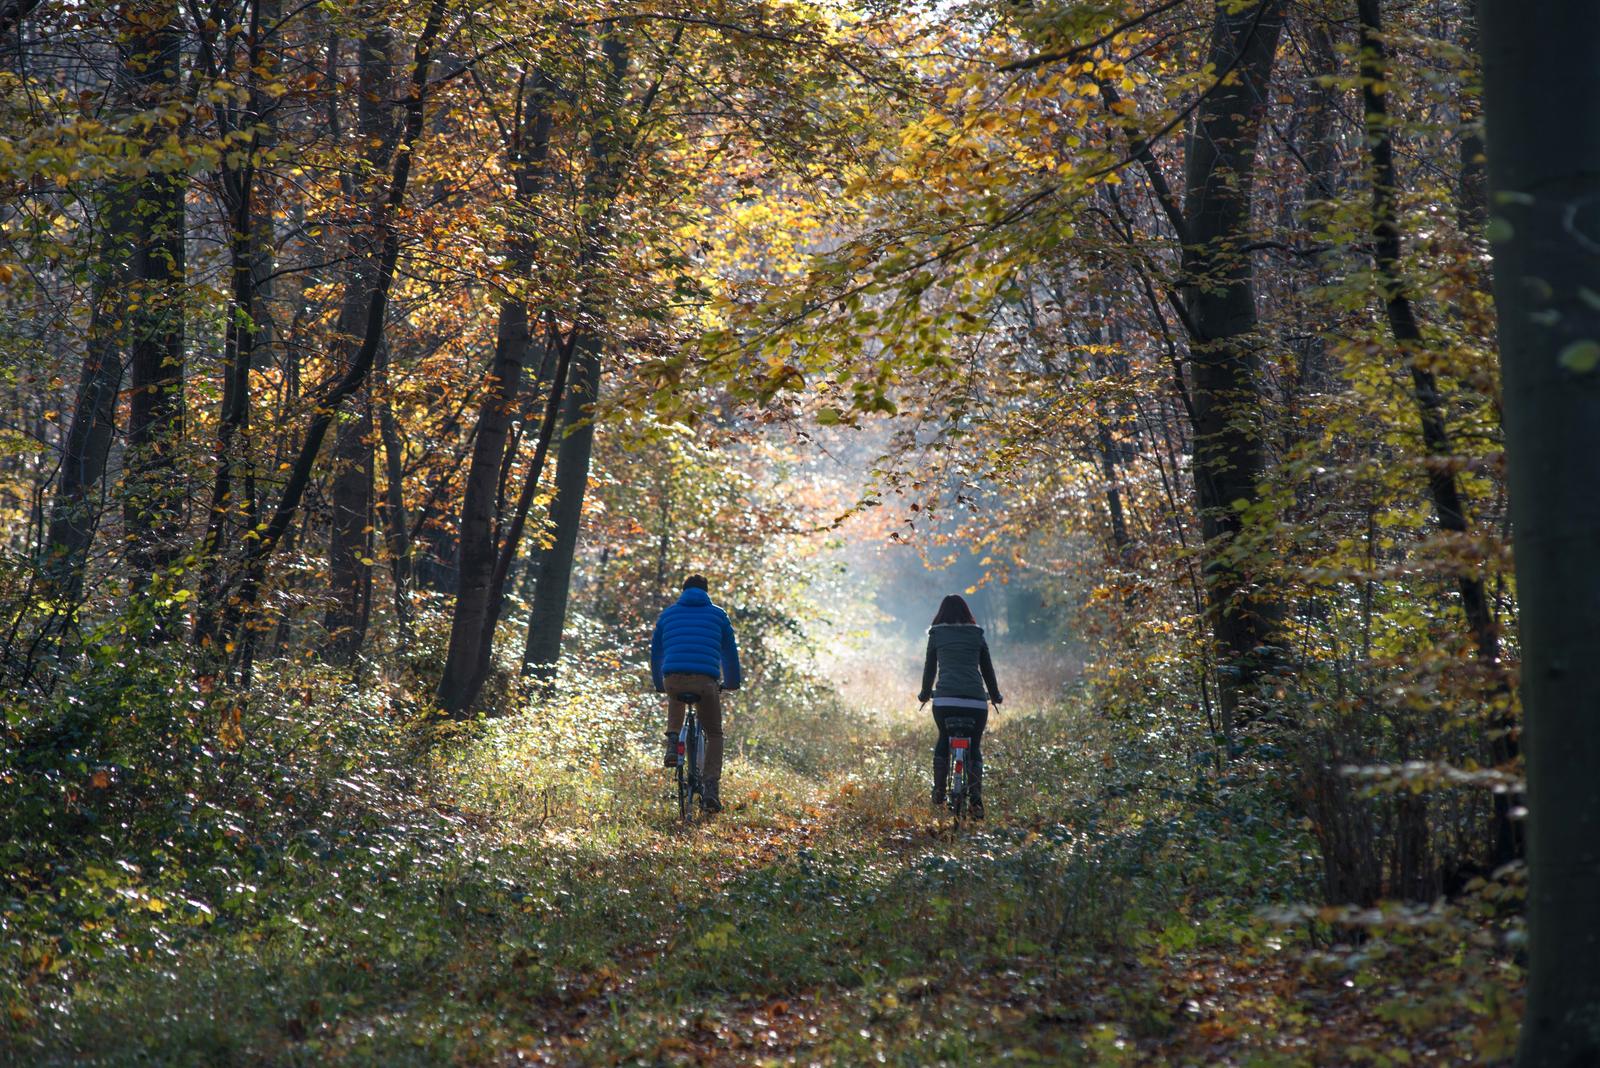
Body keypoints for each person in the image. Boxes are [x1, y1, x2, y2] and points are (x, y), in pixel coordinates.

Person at [650, 574, 742, 814]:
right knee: (714, 733)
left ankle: (673, 742)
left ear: (683, 591)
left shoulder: (667, 615)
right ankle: (711, 788)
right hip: (705, 682)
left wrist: (659, 683)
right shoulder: (718, 615)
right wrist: (732, 682)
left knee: (675, 692)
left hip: (673, 679)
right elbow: (729, 654)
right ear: (706, 592)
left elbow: (656, 653)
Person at [917, 593, 1002, 819]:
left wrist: (924, 694)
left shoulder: (936, 634)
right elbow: (987, 669)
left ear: (941, 613)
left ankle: (939, 790)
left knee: (944, 739)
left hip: (945, 701)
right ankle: (976, 800)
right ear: (967, 613)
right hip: (976, 703)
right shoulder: (977, 634)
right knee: (974, 748)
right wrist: (995, 696)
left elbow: (930, 668)